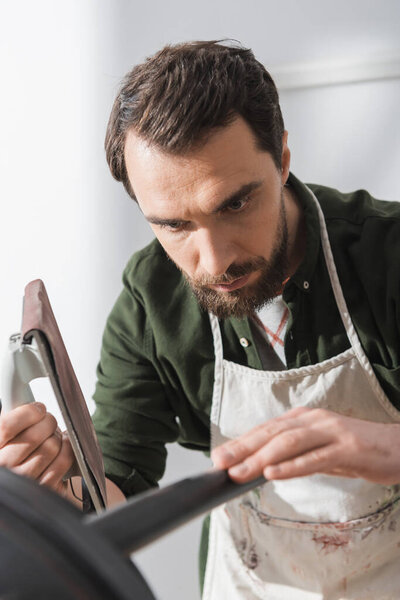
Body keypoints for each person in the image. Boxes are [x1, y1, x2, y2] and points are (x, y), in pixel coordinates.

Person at [1, 40, 400, 598]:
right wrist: (56, 494)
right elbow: (117, 488)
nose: (213, 263)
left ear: (283, 158)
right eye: (173, 225)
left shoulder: (387, 255)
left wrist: (387, 450)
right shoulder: (150, 300)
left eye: (234, 205)